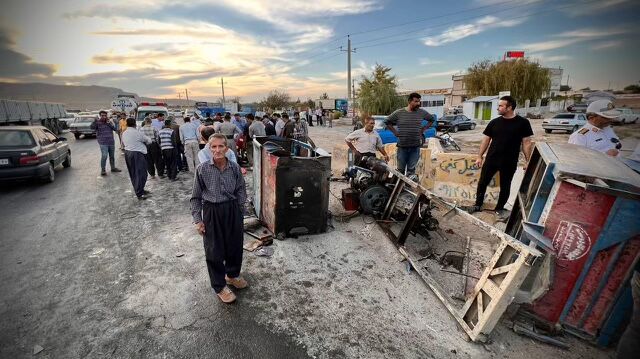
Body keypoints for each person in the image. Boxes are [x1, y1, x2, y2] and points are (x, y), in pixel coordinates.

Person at [191, 133, 248, 303]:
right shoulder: (202, 169)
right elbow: (195, 197)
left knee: (234, 246)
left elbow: (241, 190)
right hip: (211, 211)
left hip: (231, 209)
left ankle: (232, 275)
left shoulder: (234, 168)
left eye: (220, 146)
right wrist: (198, 220)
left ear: (227, 148)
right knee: (214, 250)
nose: (217, 150)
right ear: (209, 149)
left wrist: (239, 209)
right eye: (213, 147)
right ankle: (219, 286)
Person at [468, 95, 534, 221]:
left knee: (506, 185)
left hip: (509, 161)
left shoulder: (523, 123)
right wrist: (479, 156)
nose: (498, 108)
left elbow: (526, 142)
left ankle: (499, 208)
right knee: (482, 182)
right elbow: (486, 140)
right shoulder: (494, 122)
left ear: (509, 107)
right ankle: (477, 205)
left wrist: (528, 160)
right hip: (492, 159)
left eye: (501, 106)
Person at [384, 92, 434, 176]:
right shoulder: (399, 113)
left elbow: (431, 119)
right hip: (402, 147)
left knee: (411, 171)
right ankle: (400, 188)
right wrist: (395, 132)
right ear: (409, 101)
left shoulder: (422, 112)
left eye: (419, 101)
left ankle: (408, 187)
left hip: (415, 147)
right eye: (416, 101)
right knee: (400, 171)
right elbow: (387, 121)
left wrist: (424, 129)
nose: (418, 103)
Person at [121, 118, 152, 199]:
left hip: (128, 153)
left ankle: (140, 189)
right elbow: (149, 141)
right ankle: (139, 193)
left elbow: (123, 143)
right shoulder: (137, 133)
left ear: (127, 124)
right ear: (135, 124)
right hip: (137, 154)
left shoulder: (124, 133)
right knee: (141, 173)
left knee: (134, 173)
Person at [92, 110, 122, 175]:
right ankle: (103, 170)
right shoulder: (97, 122)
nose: (104, 117)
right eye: (102, 116)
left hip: (111, 142)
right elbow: (92, 128)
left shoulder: (109, 122)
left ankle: (113, 168)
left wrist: (116, 123)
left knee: (112, 156)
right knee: (104, 155)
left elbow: (115, 129)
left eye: (105, 115)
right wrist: (95, 121)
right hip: (103, 142)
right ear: (100, 116)